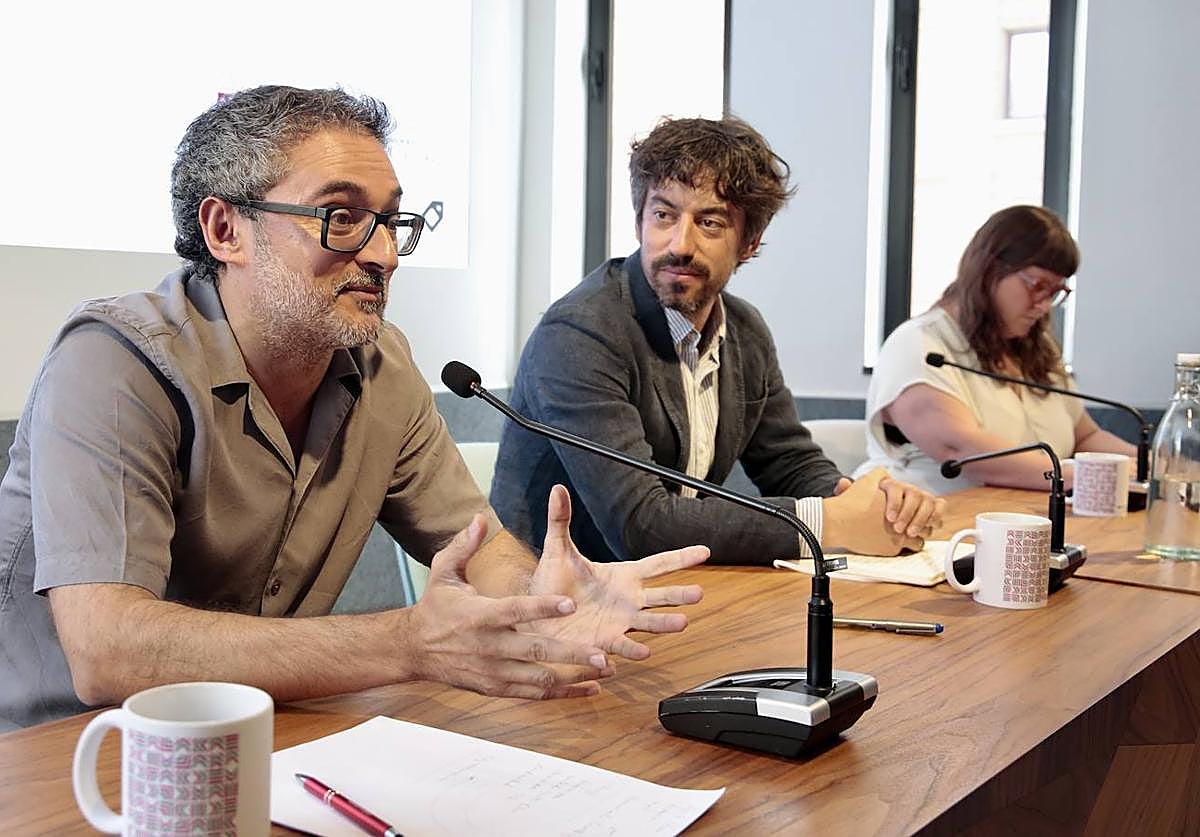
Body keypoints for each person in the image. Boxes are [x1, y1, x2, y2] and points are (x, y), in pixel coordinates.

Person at [0, 86, 708, 730]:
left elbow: (477, 543)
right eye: (341, 217)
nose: (385, 254)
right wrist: (408, 643)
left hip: (265, 733)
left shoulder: (383, 364)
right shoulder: (115, 362)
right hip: (66, 754)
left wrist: (539, 599)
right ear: (225, 230)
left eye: (392, 220)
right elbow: (108, 652)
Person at [490, 116, 944, 566]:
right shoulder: (581, 334)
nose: (680, 244)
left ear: (750, 243)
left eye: (709, 223)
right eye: (664, 215)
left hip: (672, 592)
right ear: (639, 222)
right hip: (549, 604)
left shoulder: (744, 331)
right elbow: (639, 524)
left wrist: (870, 503)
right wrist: (834, 522)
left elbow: (789, 463)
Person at [855, 204, 1137, 494]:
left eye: (1056, 293)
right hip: (936, 525)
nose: (1043, 304)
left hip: (1026, 521)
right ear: (989, 269)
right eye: (1038, 285)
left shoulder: (1036, 347)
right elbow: (963, 449)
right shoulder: (919, 345)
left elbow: (1085, 437)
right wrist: (1078, 475)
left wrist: (1144, 464)